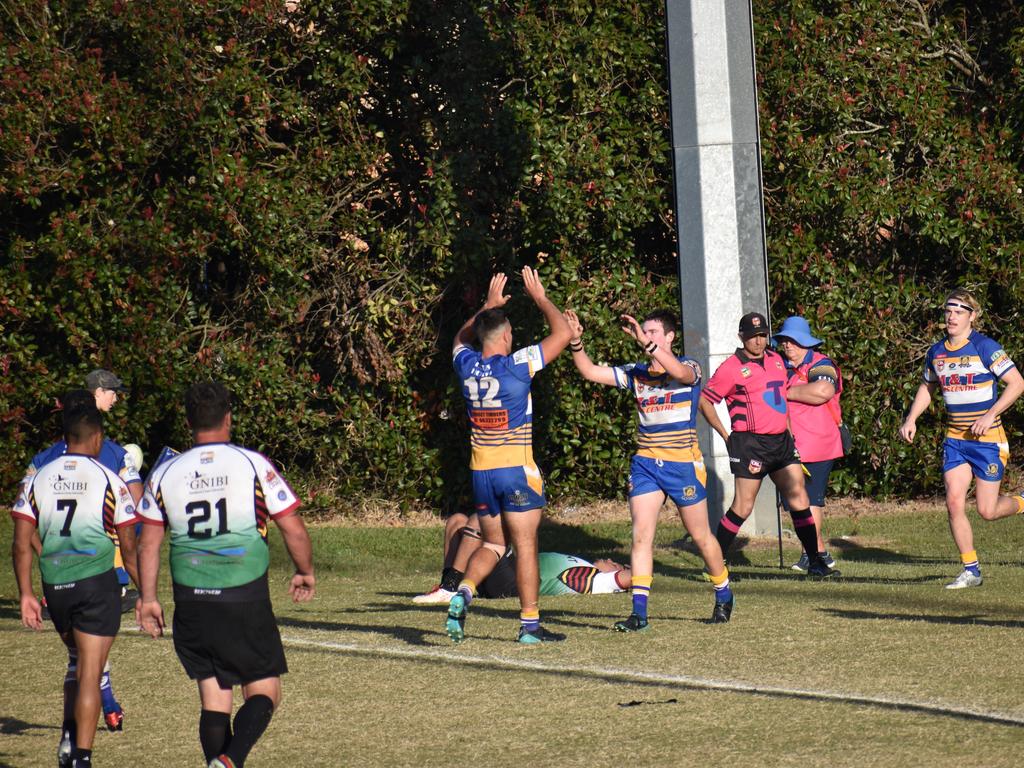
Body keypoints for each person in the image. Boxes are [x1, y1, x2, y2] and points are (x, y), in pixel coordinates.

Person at [136, 381, 316, 768]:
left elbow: (147, 544)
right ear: (229, 417)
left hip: (191, 598)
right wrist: (304, 570)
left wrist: (148, 598)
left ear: (189, 422)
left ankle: (221, 762)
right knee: (265, 690)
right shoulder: (252, 464)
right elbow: (292, 527)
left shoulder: (166, 472)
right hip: (243, 595)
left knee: (214, 696)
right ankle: (230, 761)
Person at [561, 308, 734, 630]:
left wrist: (650, 347)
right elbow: (589, 372)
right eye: (645, 332)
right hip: (645, 465)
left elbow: (680, 374)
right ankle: (639, 614)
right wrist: (576, 342)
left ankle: (723, 592)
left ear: (669, 336)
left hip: (683, 465)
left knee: (701, 537)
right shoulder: (636, 372)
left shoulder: (690, 366)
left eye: (654, 332)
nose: (647, 336)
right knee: (641, 536)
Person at [447, 267, 573, 644]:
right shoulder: (517, 365)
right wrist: (540, 298)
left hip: (481, 472)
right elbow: (563, 333)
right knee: (525, 546)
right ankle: (530, 627)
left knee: (493, 544)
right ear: (505, 336)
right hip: (515, 471)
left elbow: (459, 337)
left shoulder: (466, 365)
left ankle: (464, 592)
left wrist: (486, 306)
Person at [11, 403, 141, 768]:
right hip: (97, 584)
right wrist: (146, 593)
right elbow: (129, 549)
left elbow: (20, 543)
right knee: (91, 671)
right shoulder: (108, 479)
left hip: (56, 586)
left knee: (75, 661)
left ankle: (69, 738)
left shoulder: (38, 479)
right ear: (98, 438)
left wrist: (25, 594)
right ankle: (80, 756)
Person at [899, 290, 1024, 589]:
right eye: (948, 311)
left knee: (987, 511)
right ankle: (971, 570)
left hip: (988, 441)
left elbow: (1017, 383)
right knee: (954, 502)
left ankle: (1022, 501)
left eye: (959, 310)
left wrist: (989, 414)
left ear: (973, 315)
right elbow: (927, 388)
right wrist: (911, 418)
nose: (951, 316)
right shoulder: (936, 352)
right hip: (956, 440)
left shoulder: (985, 347)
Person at [698, 312, 838, 579]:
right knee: (743, 506)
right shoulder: (730, 368)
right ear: (742, 337)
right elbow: (705, 400)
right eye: (753, 336)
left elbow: (781, 400)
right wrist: (726, 436)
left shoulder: (776, 360)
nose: (759, 341)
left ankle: (815, 562)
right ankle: (714, 562)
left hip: (782, 443)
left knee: (800, 498)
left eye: (763, 335)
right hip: (750, 444)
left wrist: (788, 430)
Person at [413, 511, 631, 602]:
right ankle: (446, 586)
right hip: (505, 570)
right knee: (458, 520)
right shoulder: (583, 563)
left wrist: (633, 570)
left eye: (617, 565)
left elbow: (635, 575)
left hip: (511, 585)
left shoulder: (599, 581)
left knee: (482, 520)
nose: (612, 561)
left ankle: (451, 588)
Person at [773, 316, 845, 573]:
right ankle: (818, 553)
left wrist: (784, 392)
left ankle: (811, 554)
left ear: (806, 342)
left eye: (793, 341)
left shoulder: (821, 364)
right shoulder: (779, 365)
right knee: (795, 499)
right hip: (788, 443)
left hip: (818, 443)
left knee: (810, 499)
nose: (788, 346)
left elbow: (822, 392)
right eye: (784, 340)